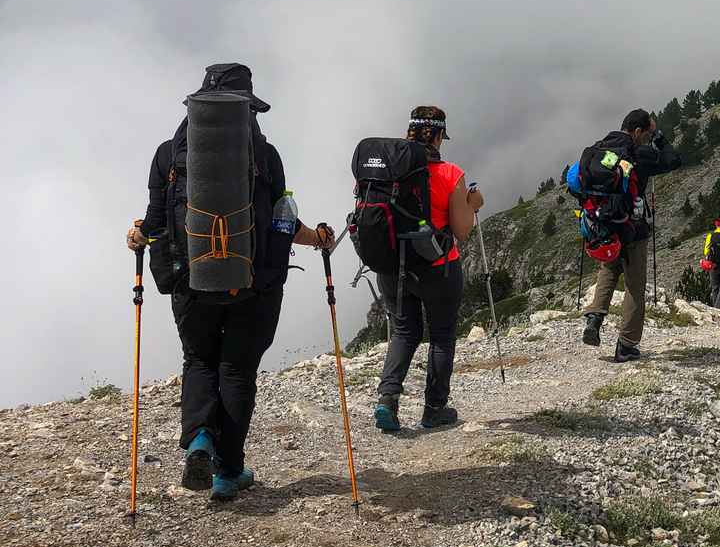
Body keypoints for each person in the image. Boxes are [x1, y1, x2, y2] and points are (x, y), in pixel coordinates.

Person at [127, 63, 336, 501]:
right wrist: (317, 240)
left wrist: (138, 237)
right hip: (254, 283)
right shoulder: (267, 155)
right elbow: (283, 221)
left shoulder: (168, 155)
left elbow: (155, 220)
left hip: (190, 279)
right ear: (249, 111)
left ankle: (200, 437)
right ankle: (228, 472)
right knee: (237, 371)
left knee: (199, 361)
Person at [372, 105, 484, 433]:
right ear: (436, 135)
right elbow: (462, 230)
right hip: (438, 266)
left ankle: (387, 400)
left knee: (405, 330)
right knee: (442, 335)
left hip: (394, 264)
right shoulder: (450, 173)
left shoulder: (386, 169)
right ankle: (434, 408)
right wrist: (472, 203)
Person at [581, 109, 682, 361]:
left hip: (605, 224)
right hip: (633, 227)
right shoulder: (640, 154)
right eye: (647, 133)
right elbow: (673, 160)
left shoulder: (598, 149)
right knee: (635, 286)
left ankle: (594, 318)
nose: (647, 138)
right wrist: (660, 138)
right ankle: (626, 345)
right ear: (637, 131)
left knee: (609, 269)